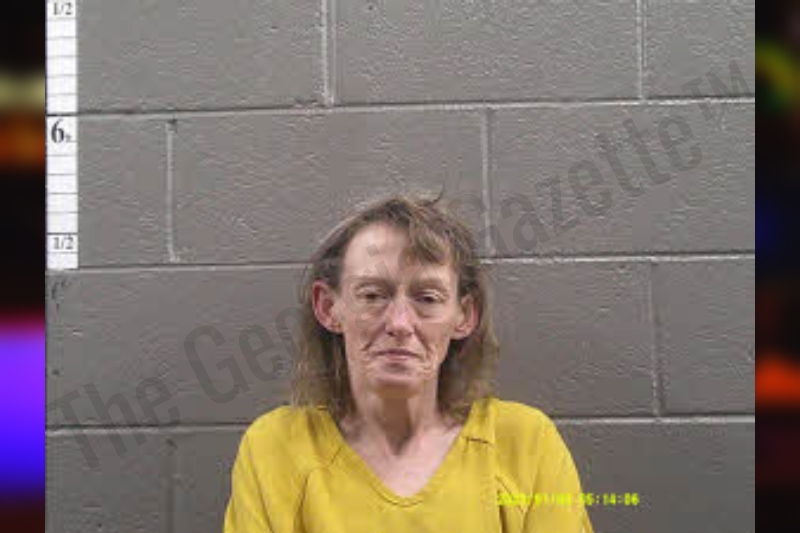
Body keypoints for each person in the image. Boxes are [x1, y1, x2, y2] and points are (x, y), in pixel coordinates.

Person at [223, 190, 595, 533]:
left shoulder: (526, 445)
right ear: (328, 308)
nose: (399, 324)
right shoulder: (276, 451)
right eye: (372, 295)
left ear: (465, 316)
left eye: (427, 298)